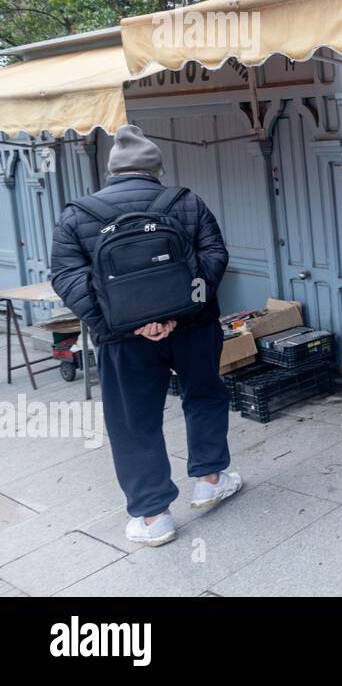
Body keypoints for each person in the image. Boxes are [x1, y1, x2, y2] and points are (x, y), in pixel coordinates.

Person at [50, 125, 242, 547]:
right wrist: (181, 311)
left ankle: (154, 517)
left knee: (133, 420)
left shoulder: (78, 214)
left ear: (112, 171)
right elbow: (215, 255)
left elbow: (66, 276)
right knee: (204, 394)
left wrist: (127, 322)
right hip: (193, 328)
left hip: (124, 341)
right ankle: (209, 480)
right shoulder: (185, 202)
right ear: (156, 169)